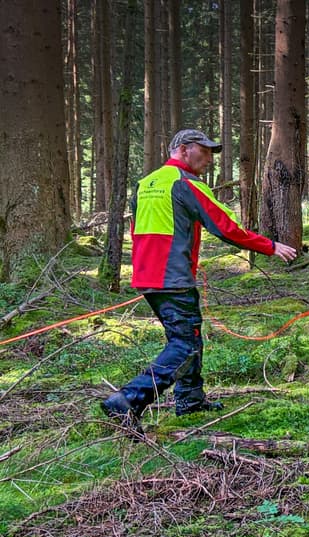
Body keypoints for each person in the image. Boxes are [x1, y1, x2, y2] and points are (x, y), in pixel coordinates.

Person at [102, 129, 298, 435]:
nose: (208, 159)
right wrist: (270, 246)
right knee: (185, 344)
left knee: (187, 337)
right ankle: (129, 398)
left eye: (210, 153)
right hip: (172, 278)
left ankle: (190, 400)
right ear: (182, 150)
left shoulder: (146, 184)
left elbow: (136, 230)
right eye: (203, 151)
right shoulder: (185, 184)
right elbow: (226, 227)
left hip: (148, 276)